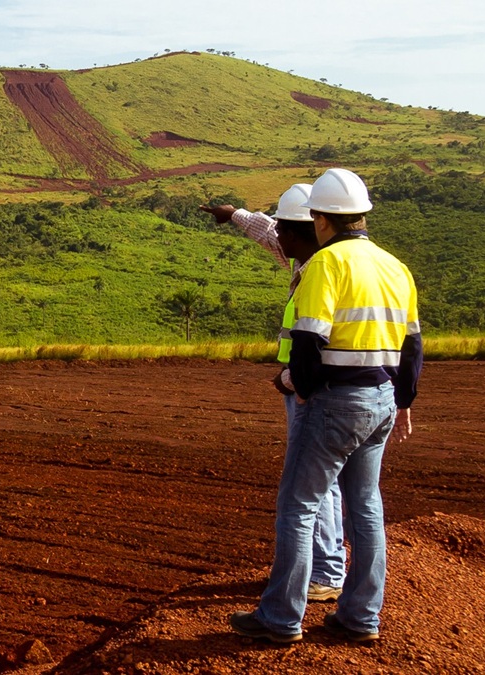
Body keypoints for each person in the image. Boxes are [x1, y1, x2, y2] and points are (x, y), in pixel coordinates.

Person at [229, 168, 423, 644]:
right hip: (381, 399)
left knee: (298, 506)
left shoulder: (325, 265)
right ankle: (360, 618)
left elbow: (308, 342)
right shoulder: (395, 266)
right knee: (366, 507)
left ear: (320, 219)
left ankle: (280, 619)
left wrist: (292, 381)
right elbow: (413, 346)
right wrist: (403, 401)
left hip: (335, 401)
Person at [201, 186, 345, 604]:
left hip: (312, 387)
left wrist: (293, 381)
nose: (276, 234)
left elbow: (317, 340)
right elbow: (269, 231)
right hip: (338, 388)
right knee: (336, 486)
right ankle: (330, 568)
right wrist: (234, 215)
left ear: (310, 227)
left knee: (310, 487)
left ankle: (322, 575)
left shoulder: (322, 269)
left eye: (283, 227)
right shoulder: (312, 255)